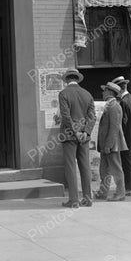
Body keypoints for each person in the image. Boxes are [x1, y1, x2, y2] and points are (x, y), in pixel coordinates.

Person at [58, 69, 96, 208]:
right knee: (85, 166)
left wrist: (75, 132)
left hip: (69, 135)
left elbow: (66, 116)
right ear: (77, 79)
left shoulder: (64, 94)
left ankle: (74, 199)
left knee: (70, 167)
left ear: (67, 80)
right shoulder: (87, 94)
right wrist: (85, 132)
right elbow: (92, 117)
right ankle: (87, 198)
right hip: (84, 137)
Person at [94, 82, 128, 201]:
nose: (103, 93)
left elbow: (114, 127)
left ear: (109, 92)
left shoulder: (114, 106)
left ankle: (120, 193)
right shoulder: (110, 105)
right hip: (106, 145)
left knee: (116, 169)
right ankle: (103, 192)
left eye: (104, 91)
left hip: (112, 145)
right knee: (104, 170)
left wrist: (108, 145)